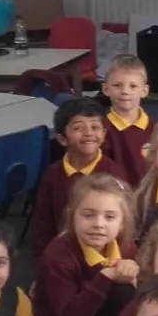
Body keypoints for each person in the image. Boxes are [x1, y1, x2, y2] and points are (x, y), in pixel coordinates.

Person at [33, 172, 140, 316]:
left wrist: (136, 274)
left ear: (122, 223)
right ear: (73, 216)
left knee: (129, 292)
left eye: (109, 217)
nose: (98, 224)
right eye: (88, 215)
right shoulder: (59, 254)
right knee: (121, 290)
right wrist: (105, 276)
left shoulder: (126, 248)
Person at [31, 97, 125, 259]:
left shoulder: (114, 174)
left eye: (95, 127)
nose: (88, 133)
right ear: (62, 139)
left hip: (104, 256)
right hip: (62, 255)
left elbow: (123, 225)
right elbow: (43, 225)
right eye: (78, 128)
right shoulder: (52, 175)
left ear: (104, 134)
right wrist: (44, 262)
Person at [101, 54, 153, 186]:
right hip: (114, 194)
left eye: (133, 86)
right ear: (106, 89)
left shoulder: (157, 129)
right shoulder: (101, 129)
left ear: (144, 91)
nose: (124, 91)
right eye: (117, 85)